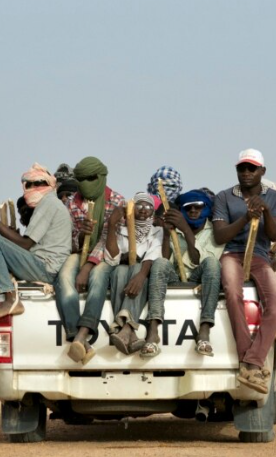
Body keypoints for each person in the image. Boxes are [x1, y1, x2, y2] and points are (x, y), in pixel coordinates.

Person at [0, 164, 72, 373]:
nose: (34, 187)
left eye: (39, 183)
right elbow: (26, 246)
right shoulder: (44, 206)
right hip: (34, 262)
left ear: (50, 185)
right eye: (30, 184)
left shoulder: (49, 204)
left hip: (45, 268)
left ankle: (9, 298)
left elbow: (25, 244)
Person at [212, 149, 276, 392]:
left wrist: (264, 210)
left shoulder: (274, 197)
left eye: (252, 168)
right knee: (233, 295)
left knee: (275, 304)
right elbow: (220, 235)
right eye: (241, 168)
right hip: (232, 254)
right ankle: (250, 363)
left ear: (262, 172)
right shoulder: (224, 197)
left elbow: (274, 235)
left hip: (260, 256)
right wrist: (245, 218)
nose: (246, 173)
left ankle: (250, 362)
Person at [55, 156, 127, 364]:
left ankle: (82, 332)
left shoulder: (117, 202)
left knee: (98, 277)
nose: (86, 184)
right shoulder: (70, 204)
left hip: (106, 255)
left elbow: (108, 238)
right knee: (64, 277)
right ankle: (77, 338)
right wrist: (79, 237)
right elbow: (66, 239)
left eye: (91, 178)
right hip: (78, 253)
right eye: (81, 179)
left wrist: (87, 266)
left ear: (101, 177)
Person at [143, 187, 223, 357]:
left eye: (197, 207)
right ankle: (152, 331)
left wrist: (186, 230)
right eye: (188, 208)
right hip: (176, 277)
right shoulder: (175, 228)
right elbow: (166, 259)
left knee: (212, 263)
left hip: (198, 277)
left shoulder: (214, 231)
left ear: (206, 208)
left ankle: (204, 329)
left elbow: (197, 261)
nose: (193, 211)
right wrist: (166, 234)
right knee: (160, 263)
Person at [101, 192, 163, 355]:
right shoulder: (122, 229)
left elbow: (152, 255)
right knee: (120, 271)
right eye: (139, 205)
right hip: (123, 271)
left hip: (143, 274)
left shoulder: (157, 231)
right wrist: (112, 225)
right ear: (132, 209)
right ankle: (131, 334)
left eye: (148, 206)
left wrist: (141, 275)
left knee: (137, 268)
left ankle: (124, 328)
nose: (143, 210)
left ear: (153, 211)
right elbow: (113, 258)